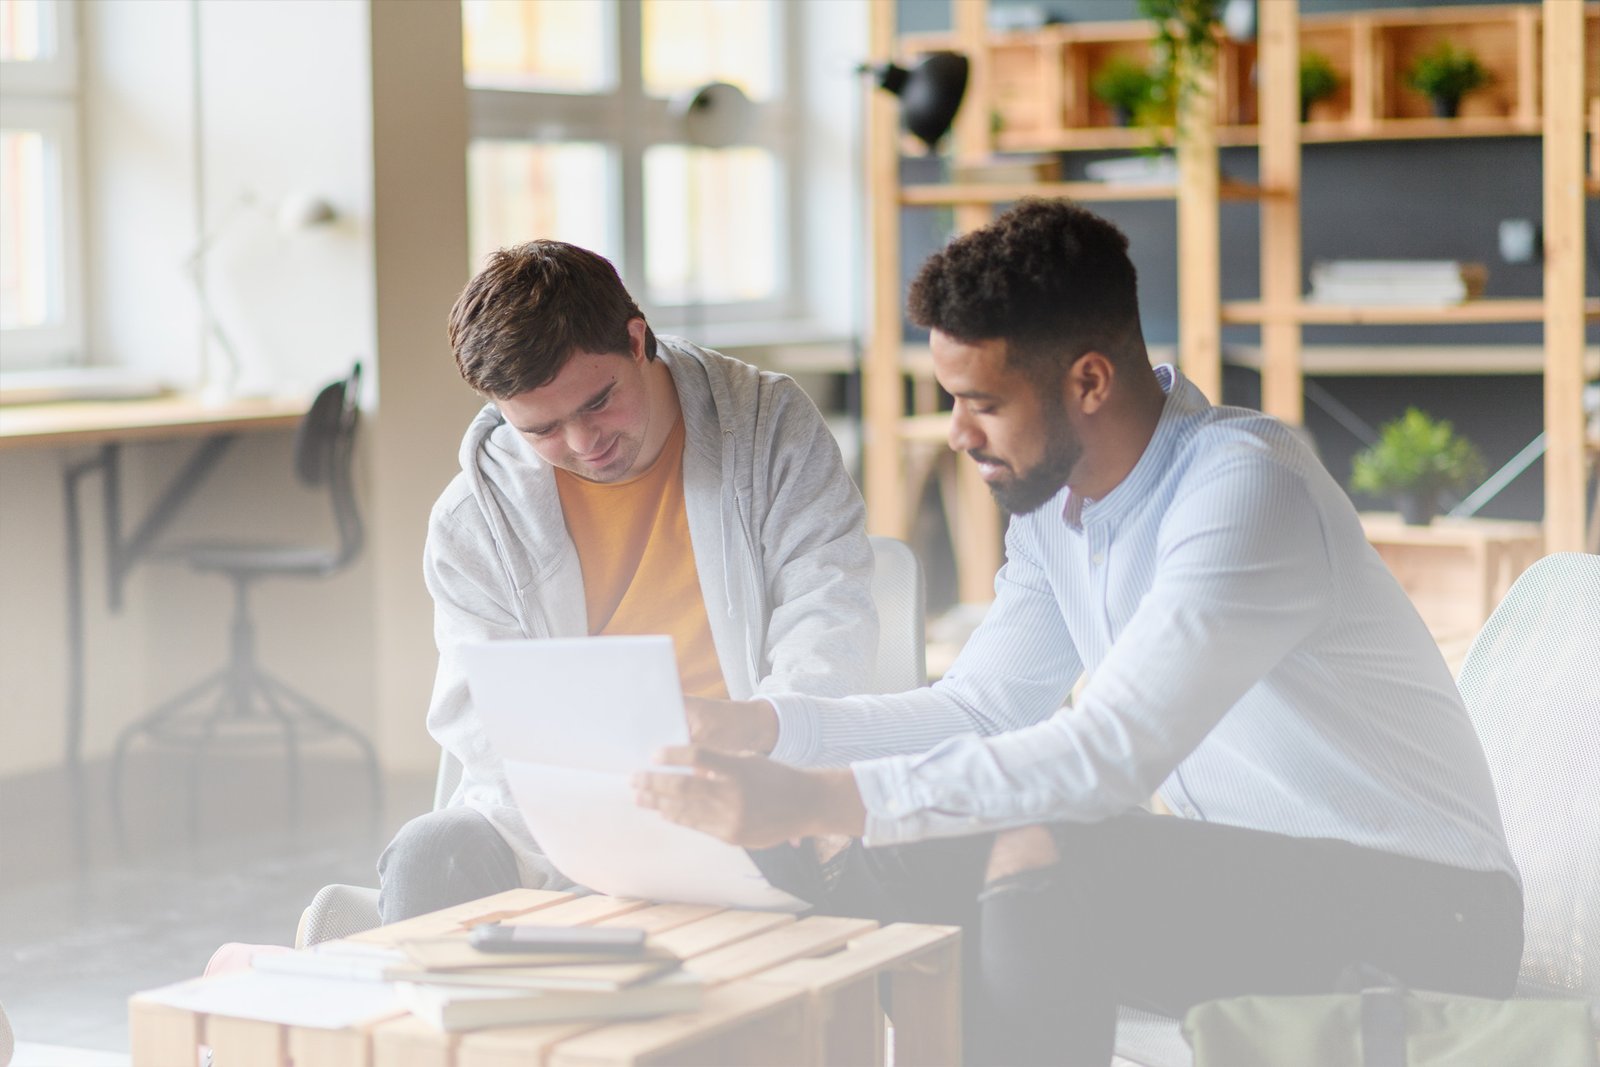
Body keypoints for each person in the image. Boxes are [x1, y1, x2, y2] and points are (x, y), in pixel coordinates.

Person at [636, 199, 1521, 1065]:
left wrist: (819, 797)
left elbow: (1108, 755)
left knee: (1042, 838)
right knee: (850, 845)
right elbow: (981, 708)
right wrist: (766, 731)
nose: (955, 434)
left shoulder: (1246, 489)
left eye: (980, 401)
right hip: (1274, 886)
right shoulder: (1056, 512)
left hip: (1436, 918)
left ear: (1089, 380)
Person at [377, 239, 877, 924]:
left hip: (747, 781)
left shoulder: (770, 430)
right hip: (566, 813)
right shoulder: (472, 521)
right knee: (427, 855)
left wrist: (761, 750)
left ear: (637, 339)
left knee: (788, 845)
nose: (585, 443)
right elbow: (481, 710)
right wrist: (595, 812)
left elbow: (830, 618)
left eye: (598, 402)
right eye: (543, 428)